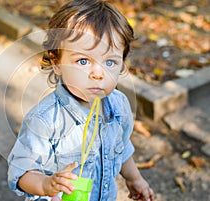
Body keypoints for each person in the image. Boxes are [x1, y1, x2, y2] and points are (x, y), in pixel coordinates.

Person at [8, 0, 155, 200]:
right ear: (57, 62)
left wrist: (134, 179)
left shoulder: (119, 105)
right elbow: (22, 170)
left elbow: (121, 148)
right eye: (83, 61)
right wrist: (45, 184)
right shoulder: (46, 120)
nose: (98, 73)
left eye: (110, 61)